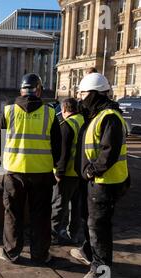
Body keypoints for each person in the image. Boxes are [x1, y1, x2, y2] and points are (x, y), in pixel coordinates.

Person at [70, 73, 131, 278]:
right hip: (96, 182)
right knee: (90, 221)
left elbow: (109, 152)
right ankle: (88, 252)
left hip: (105, 182)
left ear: (95, 94)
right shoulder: (97, 115)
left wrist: (91, 171)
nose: (80, 97)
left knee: (100, 229)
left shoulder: (109, 117)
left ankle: (102, 275)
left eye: (84, 93)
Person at [0, 74, 62, 264]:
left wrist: (4, 158)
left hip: (14, 174)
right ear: (38, 90)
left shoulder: (8, 112)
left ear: (21, 91)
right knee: (40, 216)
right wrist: (56, 167)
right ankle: (40, 254)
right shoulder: (50, 113)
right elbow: (57, 147)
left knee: (12, 214)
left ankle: (12, 252)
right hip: (42, 175)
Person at [51, 98, 85, 245]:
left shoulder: (67, 125)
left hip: (67, 173)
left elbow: (63, 153)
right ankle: (73, 235)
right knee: (76, 207)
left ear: (64, 109)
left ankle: (52, 236)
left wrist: (59, 172)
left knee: (58, 205)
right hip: (81, 173)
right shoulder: (84, 122)